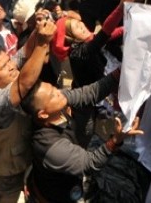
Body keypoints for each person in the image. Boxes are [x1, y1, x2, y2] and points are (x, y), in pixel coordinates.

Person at [0, 15, 56, 203]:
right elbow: (24, 84)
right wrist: (43, 44)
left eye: (9, 61)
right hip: (6, 173)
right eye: (4, 67)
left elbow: (24, 52)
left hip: (25, 160)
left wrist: (37, 28)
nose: (11, 66)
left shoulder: (9, 68)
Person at [21, 72, 144, 203]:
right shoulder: (50, 147)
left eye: (54, 88)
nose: (59, 92)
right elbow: (89, 164)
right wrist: (115, 140)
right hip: (60, 194)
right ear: (43, 114)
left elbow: (89, 93)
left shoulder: (58, 101)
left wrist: (119, 73)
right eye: (52, 95)